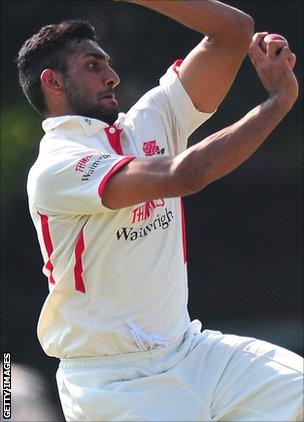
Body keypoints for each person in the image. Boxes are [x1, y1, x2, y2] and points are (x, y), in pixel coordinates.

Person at [17, 0, 303, 421]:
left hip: (190, 350)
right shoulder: (56, 165)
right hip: (116, 384)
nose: (111, 75)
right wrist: (277, 102)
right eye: (93, 66)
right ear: (52, 82)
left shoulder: (145, 122)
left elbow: (234, 33)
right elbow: (186, 173)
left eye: (108, 64)